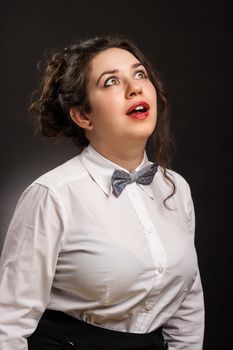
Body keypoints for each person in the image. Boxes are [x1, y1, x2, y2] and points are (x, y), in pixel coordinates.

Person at [0, 36, 204, 350]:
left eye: (139, 74)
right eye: (111, 81)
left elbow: (187, 308)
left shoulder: (176, 188)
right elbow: (7, 324)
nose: (135, 87)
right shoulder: (52, 195)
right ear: (83, 116)